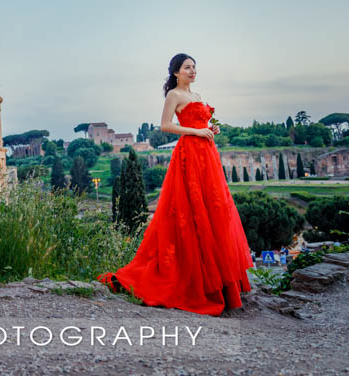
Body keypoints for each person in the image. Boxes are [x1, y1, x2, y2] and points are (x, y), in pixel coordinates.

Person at [97, 53, 254, 317]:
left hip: (207, 154)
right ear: (176, 73)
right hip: (190, 154)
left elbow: (201, 123)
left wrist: (209, 130)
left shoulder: (197, 95)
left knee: (215, 208)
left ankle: (223, 284)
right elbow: (165, 126)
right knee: (192, 212)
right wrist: (196, 131)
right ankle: (198, 283)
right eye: (187, 67)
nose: (193, 71)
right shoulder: (174, 96)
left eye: (194, 67)